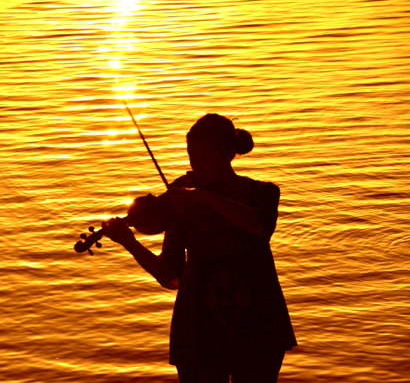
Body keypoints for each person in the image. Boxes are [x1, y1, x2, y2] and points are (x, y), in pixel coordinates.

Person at [102, 113, 297, 383]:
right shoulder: (182, 207)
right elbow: (170, 275)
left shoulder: (262, 194)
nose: (196, 166)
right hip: (198, 327)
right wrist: (130, 243)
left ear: (228, 153)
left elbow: (260, 227)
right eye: (192, 158)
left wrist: (206, 196)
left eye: (204, 159)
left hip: (258, 322)